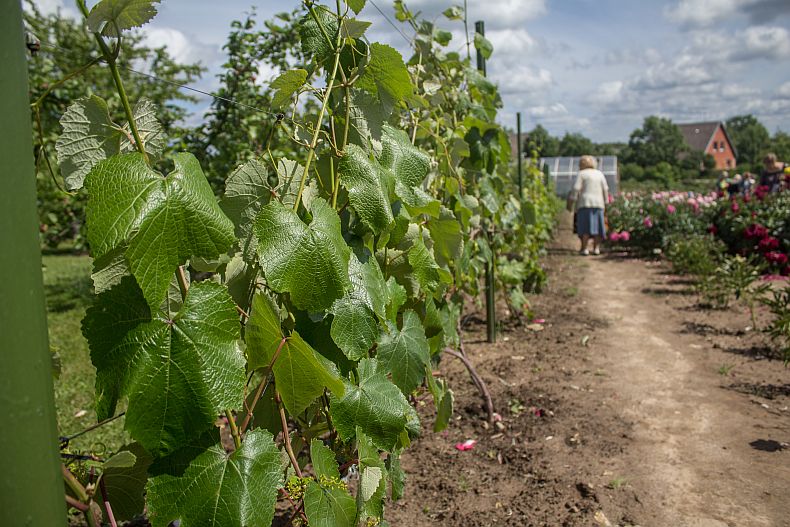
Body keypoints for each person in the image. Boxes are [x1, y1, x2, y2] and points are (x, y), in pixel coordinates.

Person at [569, 155, 609, 255]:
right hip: (598, 203)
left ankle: (584, 248)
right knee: (598, 227)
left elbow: (576, 188)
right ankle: (596, 248)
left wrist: (572, 200)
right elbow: (605, 189)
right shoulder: (599, 174)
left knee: (585, 227)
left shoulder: (581, 174)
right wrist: (606, 202)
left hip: (584, 203)